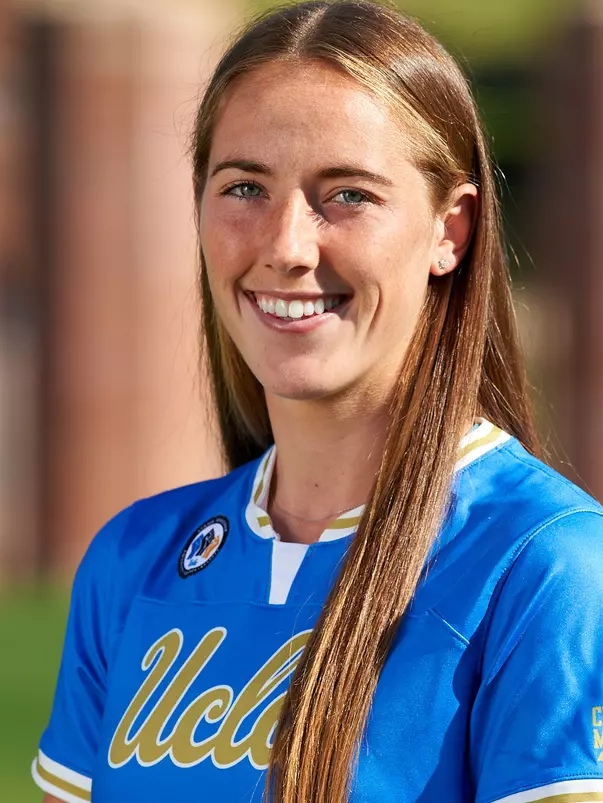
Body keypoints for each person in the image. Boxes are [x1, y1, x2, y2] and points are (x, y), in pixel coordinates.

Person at [32, 1, 603, 802]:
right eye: (244, 188)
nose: (287, 246)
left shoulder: (545, 565)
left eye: (347, 195)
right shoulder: (133, 558)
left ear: (452, 230)